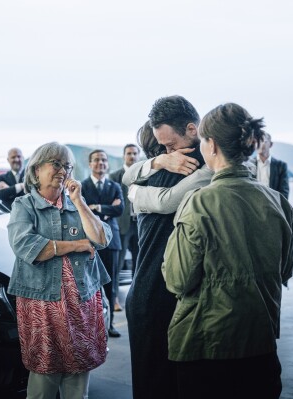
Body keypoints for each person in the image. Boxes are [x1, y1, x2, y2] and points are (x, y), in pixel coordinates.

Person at [162, 103, 293, 398]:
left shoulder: (199, 203)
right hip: (261, 347)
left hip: (206, 347)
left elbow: (177, 279)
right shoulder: (279, 203)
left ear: (210, 145)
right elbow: (284, 271)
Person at [7, 142, 111, 399]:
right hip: (42, 303)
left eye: (67, 166)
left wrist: (79, 202)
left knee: (78, 380)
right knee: (44, 378)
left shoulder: (77, 202)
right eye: (55, 163)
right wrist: (75, 245)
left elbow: (101, 239)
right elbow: (26, 246)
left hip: (82, 301)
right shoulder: (24, 205)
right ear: (36, 169)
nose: (62, 170)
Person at [125, 95, 203, 399]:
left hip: (154, 294)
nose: (171, 153)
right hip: (161, 295)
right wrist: (158, 161)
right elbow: (130, 176)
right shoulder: (163, 167)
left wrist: (135, 191)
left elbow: (162, 200)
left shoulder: (196, 168)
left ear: (192, 130)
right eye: (163, 148)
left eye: (170, 146)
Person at [81, 149, 124, 338]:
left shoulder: (115, 186)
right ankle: (90, 326)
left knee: (111, 284)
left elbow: (120, 209)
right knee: (90, 284)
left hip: (111, 241)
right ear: (90, 164)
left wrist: (96, 208)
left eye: (104, 160)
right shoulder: (82, 186)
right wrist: (108, 210)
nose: (101, 163)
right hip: (88, 241)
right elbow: (81, 209)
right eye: (97, 160)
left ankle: (110, 325)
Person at [109, 143, 141, 282]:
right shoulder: (115, 176)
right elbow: (110, 201)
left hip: (140, 224)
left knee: (139, 263)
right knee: (118, 263)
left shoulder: (144, 174)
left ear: (138, 155)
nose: (132, 156)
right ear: (124, 156)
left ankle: (136, 298)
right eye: (129, 153)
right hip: (122, 225)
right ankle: (114, 299)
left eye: (135, 153)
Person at [250, 132, 290, 199]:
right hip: (253, 206)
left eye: (263, 141)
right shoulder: (248, 165)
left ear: (270, 144)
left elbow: (284, 192)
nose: (259, 144)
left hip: (273, 206)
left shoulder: (281, 166)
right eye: (257, 141)